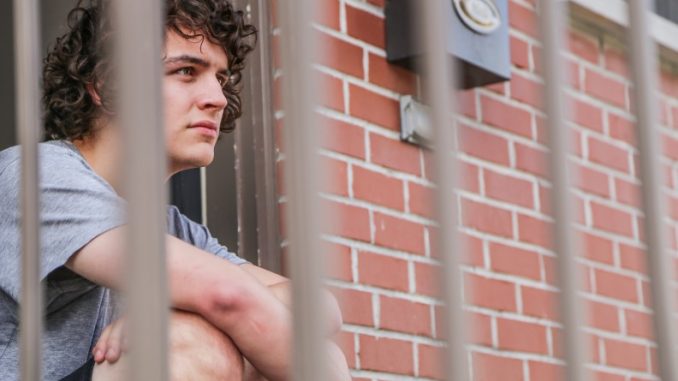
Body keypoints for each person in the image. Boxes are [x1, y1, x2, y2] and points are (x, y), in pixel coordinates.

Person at [0, 0, 349, 380]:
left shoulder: (173, 228)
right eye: (186, 71)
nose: (217, 98)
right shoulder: (36, 176)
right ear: (105, 84)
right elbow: (227, 295)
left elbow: (322, 308)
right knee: (193, 341)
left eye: (221, 77)